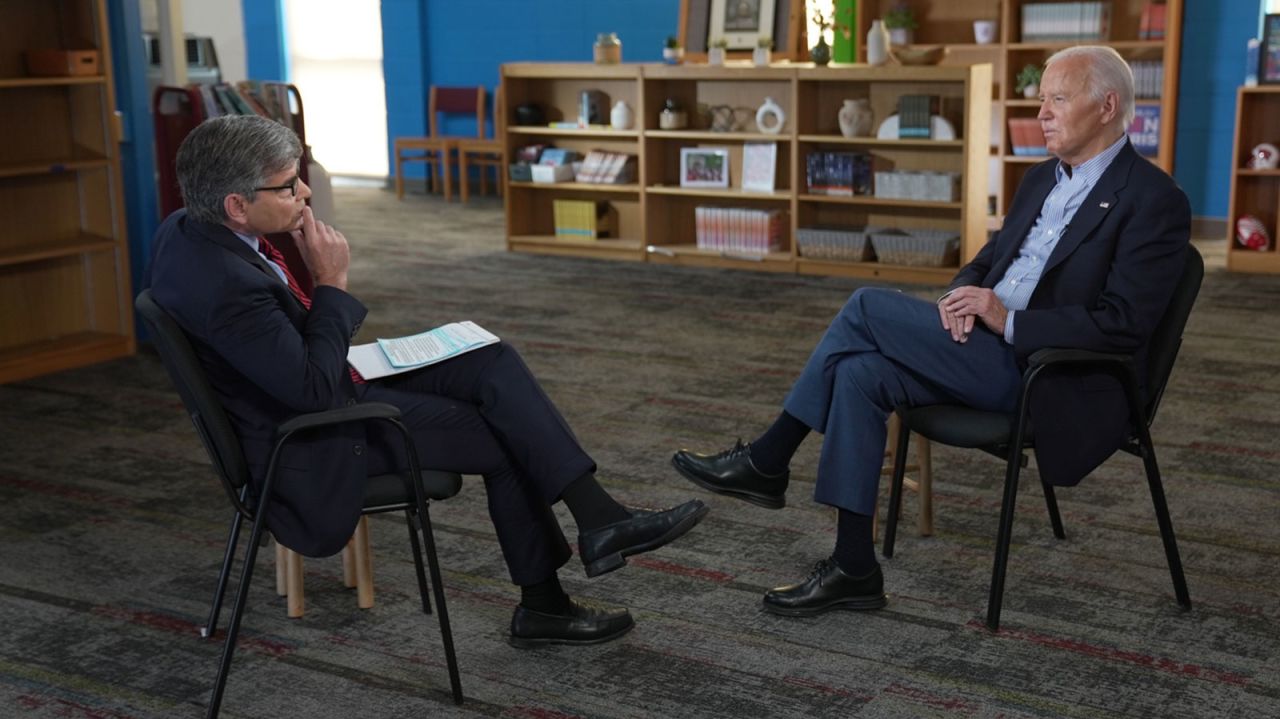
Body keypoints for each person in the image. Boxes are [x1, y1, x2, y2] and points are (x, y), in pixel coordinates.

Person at [146, 114, 708, 648]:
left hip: (313, 388)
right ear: (237, 205)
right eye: (289, 187)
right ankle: (546, 603)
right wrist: (332, 282)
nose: (305, 194)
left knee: (491, 358)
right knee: (506, 436)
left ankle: (600, 518)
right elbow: (313, 392)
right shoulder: (226, 288)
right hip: (315, 440)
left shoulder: (187, 228)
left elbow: (287, 362)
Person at [672, 46, 1190, 616]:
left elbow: (1123, 324)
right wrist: (959, 299)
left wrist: (1006, 319)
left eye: (1057, 99)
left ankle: (769, 461)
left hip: (1047, 374)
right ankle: (854, 567)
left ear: (1108, 105)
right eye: (1041, 99)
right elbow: (987, 262)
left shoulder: (1155, 201)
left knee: (866, 305)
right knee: (860, 372)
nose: (1041, 112)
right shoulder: (1041, 178)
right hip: (980, 348)